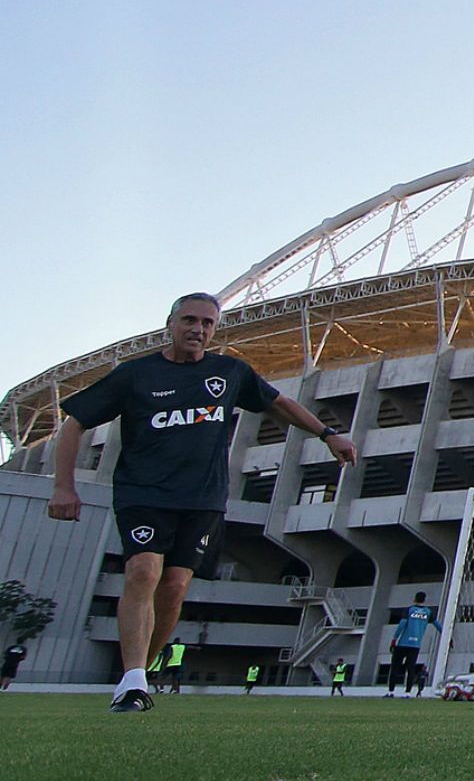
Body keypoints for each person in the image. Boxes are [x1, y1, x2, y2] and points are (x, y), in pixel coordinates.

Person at [48, 293, 357, 713]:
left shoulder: (228, 372)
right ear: (170, 324)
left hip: (203, 496)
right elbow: (75, 422)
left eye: (208, 323)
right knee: (143, 570)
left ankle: (138, 672)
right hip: (145, 491)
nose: (199, 329)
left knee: (174, 588)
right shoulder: (137, 375)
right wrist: (63, 487)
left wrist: (327, 434)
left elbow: (279, 403)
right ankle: (134, 680)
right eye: (190, 320)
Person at [386, 591, 440, 697]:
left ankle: (391, 692)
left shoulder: (409, 610)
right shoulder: (428, 612)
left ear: (414, 599)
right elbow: (438, 625)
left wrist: (394, 640)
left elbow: (402, 624)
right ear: (424, 600)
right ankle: (408, 693)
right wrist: (448, 637)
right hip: (415, 645)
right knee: (410, 669)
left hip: (403, 644)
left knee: (395, 668)